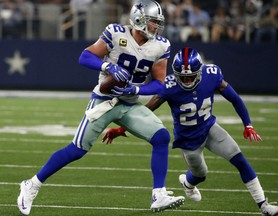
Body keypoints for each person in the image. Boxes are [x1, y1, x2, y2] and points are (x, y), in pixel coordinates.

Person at [17, 0, 185, 215]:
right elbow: (85, 56)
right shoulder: (115, 33)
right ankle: (32, 184)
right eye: (152, 22)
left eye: (157, 22)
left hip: (130, 103)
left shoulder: (161, 45)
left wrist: (135, 91)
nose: (156, 26)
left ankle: (158, 194)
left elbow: (159, 84)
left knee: (161, 137)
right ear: (138, 20)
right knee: (77, 150)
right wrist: (109, 66)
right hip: (105, 101)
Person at [103, 48, 278, 216]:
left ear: (200, 71)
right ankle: (188, 182)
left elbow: (235, 98)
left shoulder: (211, 75)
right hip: (188, 141)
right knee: (200, 174)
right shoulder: (170, 85)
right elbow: (146, 111)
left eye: (191, 77)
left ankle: (264, 206)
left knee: (239, 159)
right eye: (183, 77)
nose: (187, 80)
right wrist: (121, 129)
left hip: (210, 128)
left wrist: (248, 124)